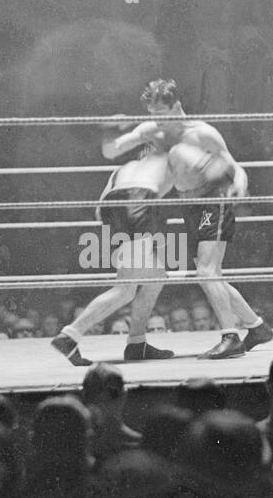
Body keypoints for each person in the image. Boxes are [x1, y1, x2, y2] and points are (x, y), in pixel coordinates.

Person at [109, 78, 273, 360]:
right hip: (189, 206)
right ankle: (256, 328)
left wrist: (241, 186)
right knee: (209, 274)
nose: (157, 122)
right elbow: (115, 147)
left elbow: (234, 166)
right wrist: (116, 130)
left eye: (161, 115)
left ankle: (231, 338)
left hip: (214, 197)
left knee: (207, 272)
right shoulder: (153, 129)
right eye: (152, 116)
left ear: (177, 107)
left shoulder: (203, 133)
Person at [51, 105, 180, 367]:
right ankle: (69, 335)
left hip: (113, 206)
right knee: (125, 289)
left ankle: (137, 343)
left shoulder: (127, 166)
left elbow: (101, 207)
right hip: (140, 201)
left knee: (155, 277)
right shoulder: (174, 154)